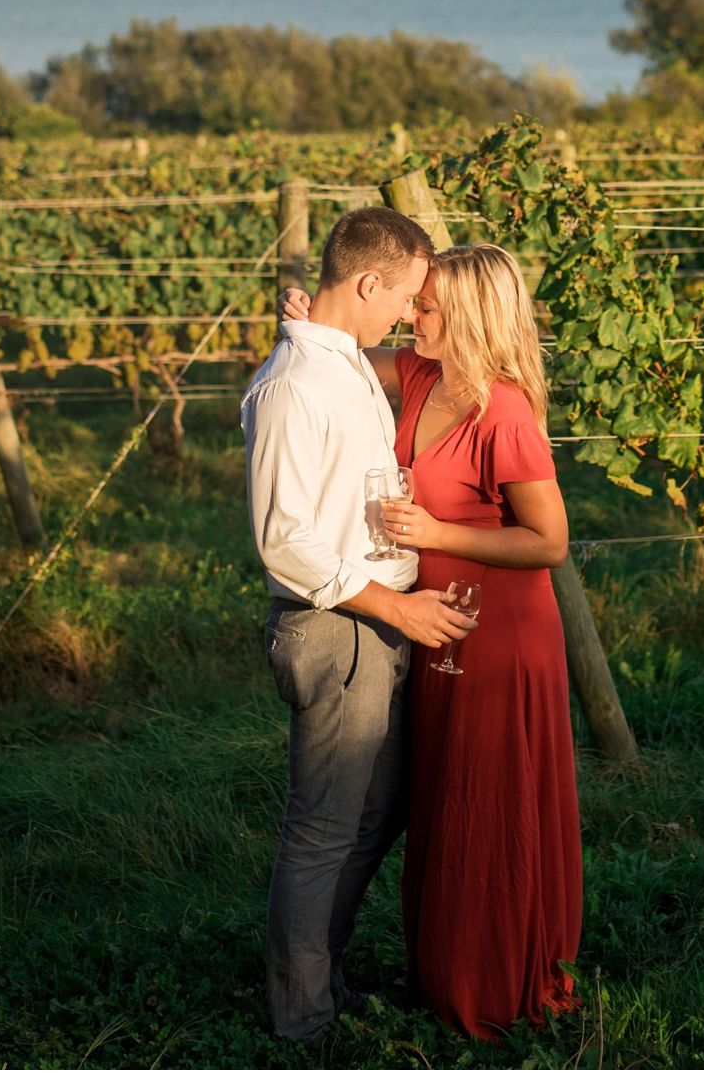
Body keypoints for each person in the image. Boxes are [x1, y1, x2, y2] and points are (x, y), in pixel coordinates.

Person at [286, 242, 583, 1040]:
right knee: (446, 799)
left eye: (428, 306)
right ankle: (446, 971)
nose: (412, 314)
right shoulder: (418, 374)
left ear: (471, 316)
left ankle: (495, 983)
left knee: (489, 798)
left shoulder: (505, 410)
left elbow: (549, 540)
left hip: (500, 633)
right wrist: (305, 318)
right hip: (431, 621)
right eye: (414, 302)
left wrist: (441, 528)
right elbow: (342, 350)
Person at [240, 204, 476, 1045]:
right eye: (405, 297)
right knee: (324, 825)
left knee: (378, 810)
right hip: (337, 625)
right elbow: (284, 541)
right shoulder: (292, 385)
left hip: (374, 625)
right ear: (369, 281)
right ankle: (302, 1023)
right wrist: (394, 604)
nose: (410, 315)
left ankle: (320, 973)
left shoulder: (336, 360)